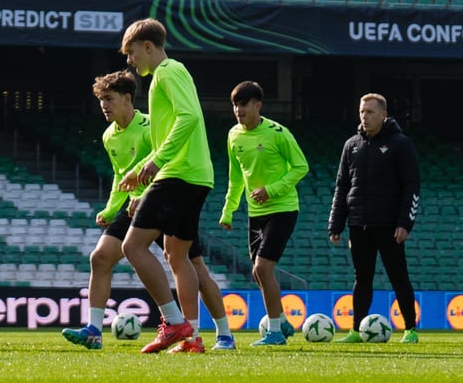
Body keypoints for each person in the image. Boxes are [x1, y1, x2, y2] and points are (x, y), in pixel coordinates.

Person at [62, 70, 235, 352]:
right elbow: (121, 178)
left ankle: (223, 334)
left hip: (162, 201)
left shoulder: (149, 127)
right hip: (134, 207)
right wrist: (110, 209)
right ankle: (94, 330)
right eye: (100, 100)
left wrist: (143, 195)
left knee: (196, 270)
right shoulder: (109, 136)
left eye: (109, 98)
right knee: (101, 257)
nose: (104, 105)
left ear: (127, 98)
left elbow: (167, 163)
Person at [117, 18, 216, 354]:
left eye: (131, 53)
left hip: (178, 173)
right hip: (194, 174)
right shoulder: (172, 72)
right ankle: (193, 338)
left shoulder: (167, 72)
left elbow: (189, 117)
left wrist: (157, 163)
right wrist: (140, 172)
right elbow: (177, 125)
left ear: (147, 46)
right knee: (177, 254)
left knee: (132, 247)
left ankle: (173, 323)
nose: (129, 61)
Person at [218, 81, 310, 346]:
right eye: (235, 104)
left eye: (244, 104)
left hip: (282, 208)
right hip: (255, 213)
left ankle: (275, 333)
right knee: (259, 273)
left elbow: (300, 166)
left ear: (258, 104)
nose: (238, 110)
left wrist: (272, 190)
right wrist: (228, 210)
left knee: (262, 267)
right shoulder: (233, 135)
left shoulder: (278, 133)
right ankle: (281, 321)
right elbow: (236, 176)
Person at [328, 93, 420, 344]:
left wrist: (404, 223)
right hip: (359, 223)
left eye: (370, 112)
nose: (364, 116)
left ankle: (410, 329)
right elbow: (342, 186)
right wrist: (336, 223)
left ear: (383, 115)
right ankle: (356, 330)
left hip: (390, 225)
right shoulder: (352, 145)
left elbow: (411, 186)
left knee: (398, 276)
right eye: (362, 112)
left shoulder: (401, 144)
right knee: (361, 278)